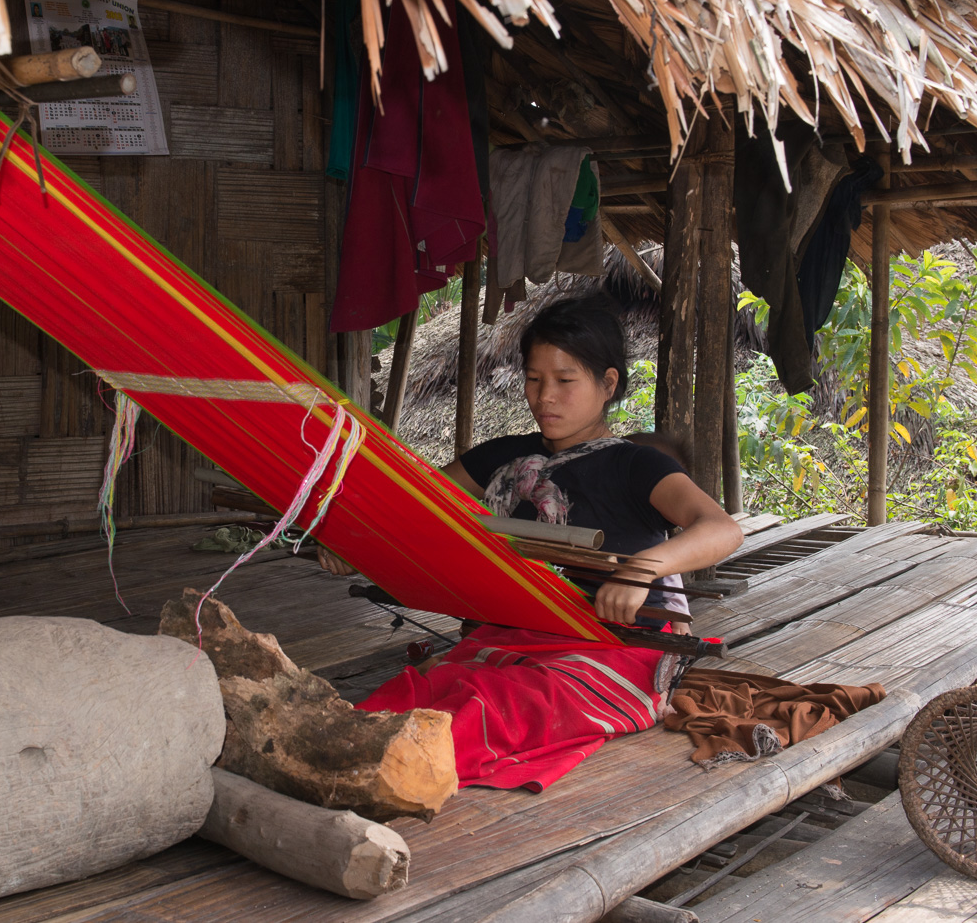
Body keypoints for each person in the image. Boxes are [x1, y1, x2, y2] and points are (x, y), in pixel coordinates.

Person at [319, 295, 745, 790]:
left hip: (613, 644)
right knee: (429, 690)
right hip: (511, 633)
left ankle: (381, 772)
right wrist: (357, 543)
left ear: (607, 384)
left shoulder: (635, 466)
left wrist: (641, 568)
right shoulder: (500, 458)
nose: (545, 396)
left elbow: (720, 527)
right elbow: (415, 512)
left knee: (504, 706)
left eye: (565, 381)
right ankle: (341, 754)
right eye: (533, 379)